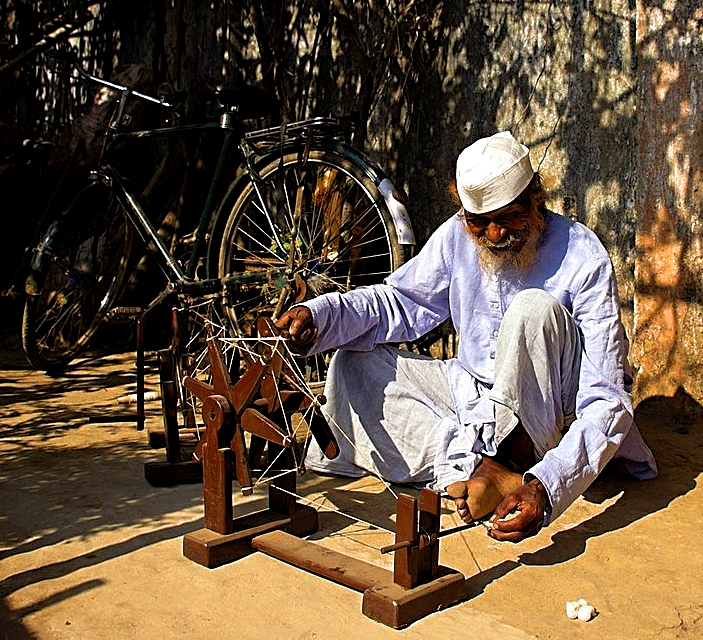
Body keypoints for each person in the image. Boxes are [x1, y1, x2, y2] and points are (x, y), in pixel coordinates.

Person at [275, 131, 657, 543]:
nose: (493, 235)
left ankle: (512, 465)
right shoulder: (456, 235)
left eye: (507, 217)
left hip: (548, 421)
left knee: (532, 309)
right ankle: (483, 469)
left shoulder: (583, 255)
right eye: (479, 222)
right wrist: (321, 314)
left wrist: (547, 485)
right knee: (355, 363)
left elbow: (607, 399)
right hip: (472, 396)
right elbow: (400, 302)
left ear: (534, 198)